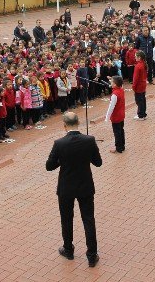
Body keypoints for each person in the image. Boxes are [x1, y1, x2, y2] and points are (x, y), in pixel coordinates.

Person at [45, 112, 102, 267]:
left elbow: (49, 166)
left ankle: (68, 250)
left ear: (64, 125)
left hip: (66, 187)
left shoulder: (59, 143)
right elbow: (98, 163)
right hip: (85, 186)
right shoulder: (89, 140)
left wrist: (62, 161)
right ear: (78, 123)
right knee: (88, 219)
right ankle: (92, 255)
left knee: (66, 219)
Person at [104, 76, 126, 153]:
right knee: (121, 130)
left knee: (117, 132)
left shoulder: (114, 95)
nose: (111, 83)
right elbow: (117, 85)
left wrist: (107, 117)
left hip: (116, 116)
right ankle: (122, 145)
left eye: (112, 82)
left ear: (115, 84)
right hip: (121, 114)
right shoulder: (121, 89)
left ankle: (118, 148)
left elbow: (111, 107)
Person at [132, 51, 148, 120]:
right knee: (143, 99)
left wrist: (133, 86)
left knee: (139, 101)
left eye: (135, 56)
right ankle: (143, 113)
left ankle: (140, 115)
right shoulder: (144, 64)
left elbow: (135, 78)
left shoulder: (138, 66)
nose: (135, 58)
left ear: (139, 57)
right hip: (143, 84)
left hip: (139, 85)